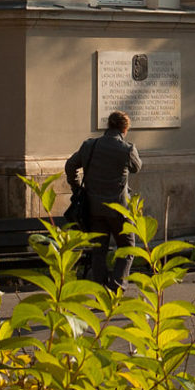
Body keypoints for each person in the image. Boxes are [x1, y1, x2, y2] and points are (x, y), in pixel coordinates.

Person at [65, 110, 142, 289]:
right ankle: (116, 286)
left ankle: (100, 288)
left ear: (108, 125)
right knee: (127, 247)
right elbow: (137, 167)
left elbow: (70, 165)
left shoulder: (89, 146)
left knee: (98, 250)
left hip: (94, 207)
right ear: (125, 128)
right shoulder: (127, 149)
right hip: (118, 209)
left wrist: (76, 187)